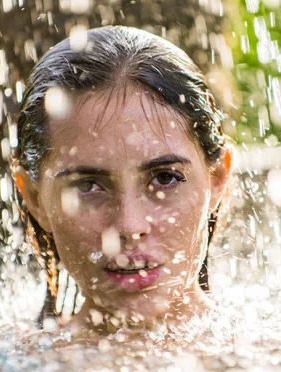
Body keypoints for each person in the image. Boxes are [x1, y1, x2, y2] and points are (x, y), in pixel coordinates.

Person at [12, 25, 232, 334]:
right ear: (35, 199)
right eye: (87, 185)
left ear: (217, 179)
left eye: (165, 178)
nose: (130, 227)